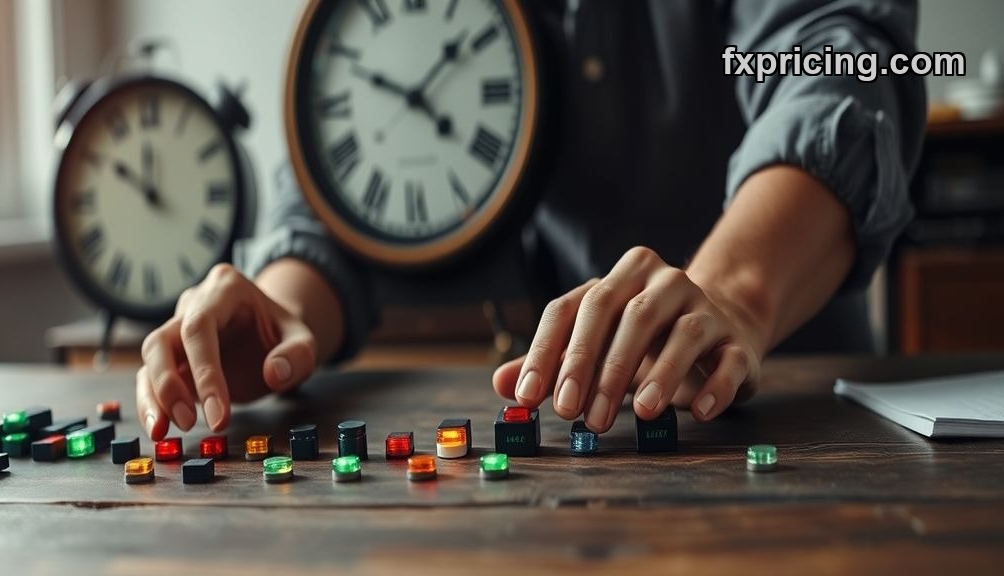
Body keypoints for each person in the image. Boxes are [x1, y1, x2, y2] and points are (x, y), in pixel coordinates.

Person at [135, 0, 926, 440]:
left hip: (795, 429)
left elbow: (842, 61)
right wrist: (279, 311)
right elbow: (352, 189)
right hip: (575, 453)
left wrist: (736, 297)